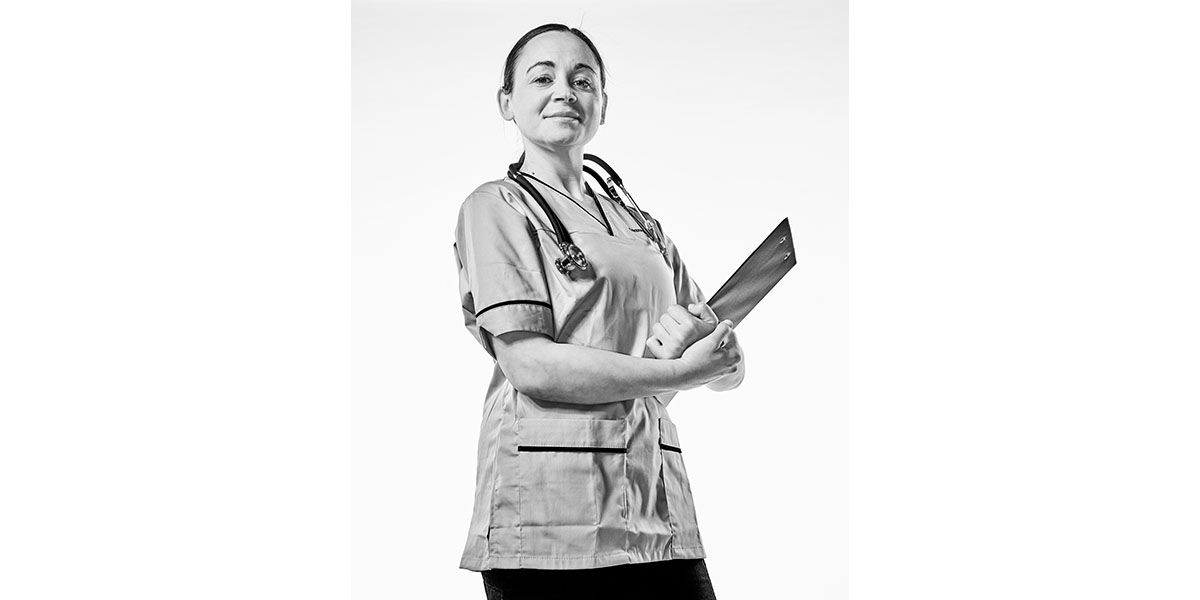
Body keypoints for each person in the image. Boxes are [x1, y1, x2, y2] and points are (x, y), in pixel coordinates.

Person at [453, 23, 746, 600]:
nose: (565, 91)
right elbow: (532, 366)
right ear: (506, 102)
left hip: (658, 513)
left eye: (582, 80)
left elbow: (708, 343)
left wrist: (726, 359)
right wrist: (680, 373)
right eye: (543, 77)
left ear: (602, 106)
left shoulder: (640, 226)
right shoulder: (496, 208)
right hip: (546, 516)